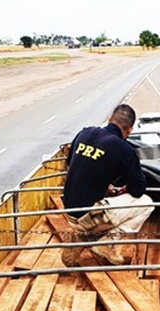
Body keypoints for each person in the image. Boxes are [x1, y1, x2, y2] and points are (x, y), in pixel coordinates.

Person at [61, 104, 154, 266]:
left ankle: (83, 237)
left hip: (68, 212)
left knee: (94, 202)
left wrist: (103, 186)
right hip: (88, 218)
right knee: (146, 203)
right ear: (130, 130)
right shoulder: (124, 149)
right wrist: (125, 189)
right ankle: (107, 243)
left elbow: (71, 164)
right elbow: (139, 189)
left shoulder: (84, 133)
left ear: (110, 120)